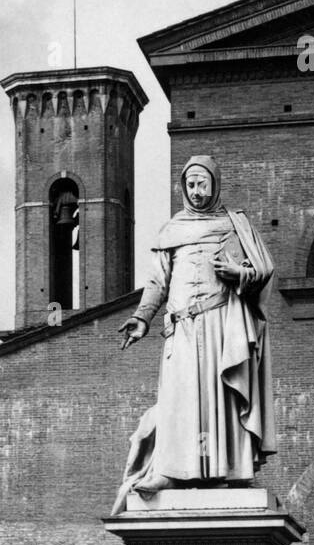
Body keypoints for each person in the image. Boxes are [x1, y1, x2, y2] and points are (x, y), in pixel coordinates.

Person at [112, 155, 276, 515]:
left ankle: (229, 469)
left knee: (220, 396)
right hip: (182, 328)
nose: (197, 191)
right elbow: (157, 281)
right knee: (180, 400)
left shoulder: (236, 225)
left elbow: (264, 270)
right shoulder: (172, 230)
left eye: (202, 184)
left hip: (220, 324)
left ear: (214, 185)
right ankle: (172, 472)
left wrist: (239, 273)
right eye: (190, 185)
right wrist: (142, 317)